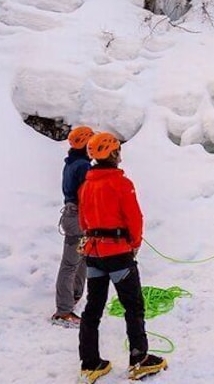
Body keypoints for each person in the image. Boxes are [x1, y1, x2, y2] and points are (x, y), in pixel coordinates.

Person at [77, 132, 168, 383]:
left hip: (94, 254)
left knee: (93, 308)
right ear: (112, 154)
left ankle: (90, 363)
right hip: (118, 254)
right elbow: (134, 219)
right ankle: (139, 360)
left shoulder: (85, 186)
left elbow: (83, 221)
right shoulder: (121, 183)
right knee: (133, 306)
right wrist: (134, 244)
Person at [51, 125, 94, 327]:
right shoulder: (84, 166)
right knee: (71, 264)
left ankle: (73, 297)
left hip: (72, 215)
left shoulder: (71, 163)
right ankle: (63, 311)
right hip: (79, 217)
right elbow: (87, 195)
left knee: (81, 259)